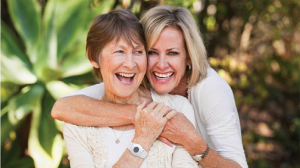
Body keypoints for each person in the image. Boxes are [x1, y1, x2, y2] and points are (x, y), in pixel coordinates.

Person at [52, 6, 248, 168]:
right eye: (152, 52)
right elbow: (62, 108)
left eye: (172, 53)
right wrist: (144, 123)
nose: (161, 64)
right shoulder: (125, 85)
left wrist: (193, 142)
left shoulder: (208, 91)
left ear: (189, 57)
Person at [62, 9, 198, 168]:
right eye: (119, 51)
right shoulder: (77, 125)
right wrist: (142, 140)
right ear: (93, 57)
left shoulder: (177, 108)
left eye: (138, 51)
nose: (130, 63)